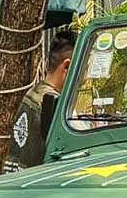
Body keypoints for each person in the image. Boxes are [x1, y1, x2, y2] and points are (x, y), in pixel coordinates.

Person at [8, 29, 76, 169]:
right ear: (67, 66)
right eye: (82, 69)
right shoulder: (58, 107)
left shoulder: (29, 95)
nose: (84, 79)